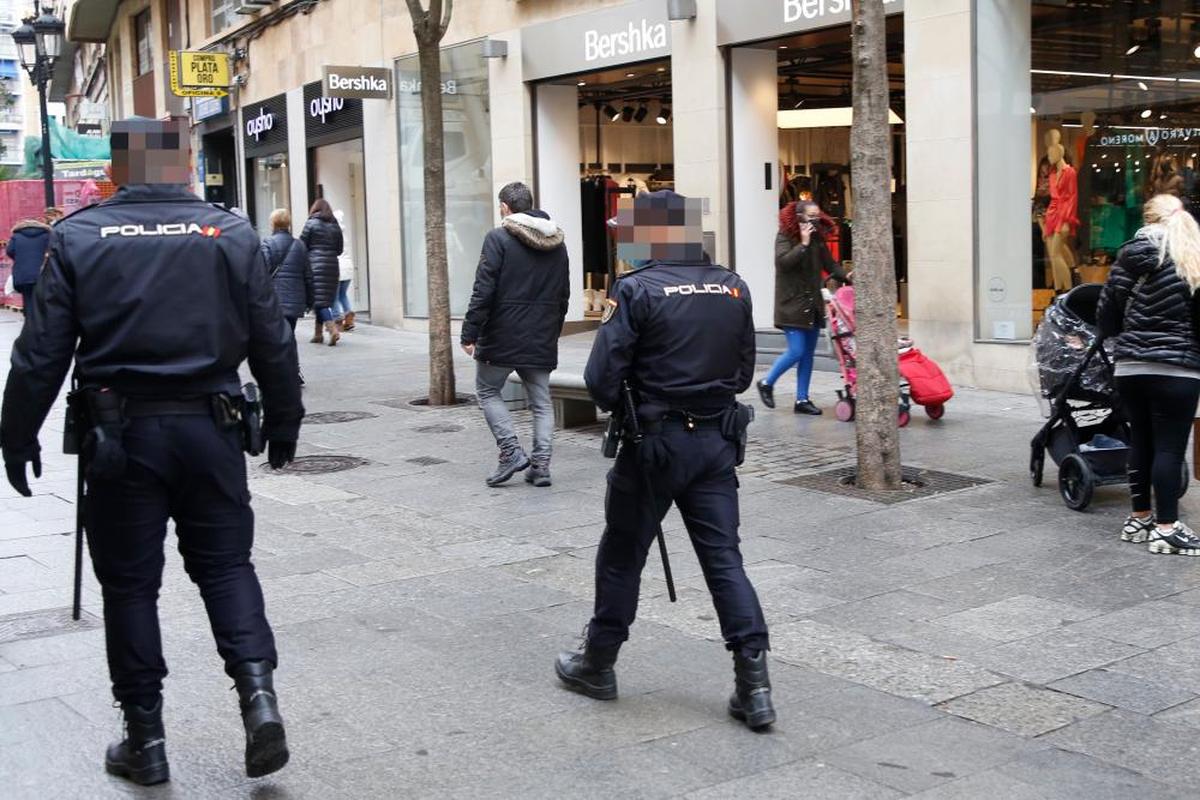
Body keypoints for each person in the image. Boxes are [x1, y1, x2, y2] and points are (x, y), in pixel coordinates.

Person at [0, 118, 304, 784]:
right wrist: (285, 417)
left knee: (131, 587)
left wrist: (16, 433)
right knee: (227, 568)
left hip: (121, 438)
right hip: (212, 430)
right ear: (184, 163)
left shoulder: (78, 237)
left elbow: (41, 354)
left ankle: (146, 739)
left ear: (116, 167)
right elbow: (271, 337)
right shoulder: (229, 232)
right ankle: (259, 703)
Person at [555, 190, 775, 731]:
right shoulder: (733, 286)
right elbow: (744, 372)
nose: (622, 241)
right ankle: (756, 688)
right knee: (725, 561)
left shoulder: (634, 290)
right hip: (715, 443)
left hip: (653, 446)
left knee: (622, 555)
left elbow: (599, 382)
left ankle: (598, 663)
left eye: (627, 231)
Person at [1098, 193, 1200, 556]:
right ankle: (1167, 528)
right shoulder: (1191, 256)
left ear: (1147, 219)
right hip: (1178, 369)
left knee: (1141, 440)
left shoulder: (1128, 258)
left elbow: (1106, 318)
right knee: (1170, 448)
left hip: (1130, 368)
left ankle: (1139, 519)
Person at [461, 182, 570, 487]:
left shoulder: (498, 238)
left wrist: (469, 333)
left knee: (487, 391)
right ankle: (541, 466)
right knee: (541, 402)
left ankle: (510, 451)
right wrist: (552, 331)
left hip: (502, 333)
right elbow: (564, 295)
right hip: (541, 334)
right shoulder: (557, 242)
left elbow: (483, 290)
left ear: (506, 208)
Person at [757, 200, 850, 415]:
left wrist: (848, 276)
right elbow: (783, 263)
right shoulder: (785, 236)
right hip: (791, 304)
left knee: (808, 354)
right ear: (799, 216)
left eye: (818, 215)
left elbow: (830, 265)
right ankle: (766, 382)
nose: (815, 219)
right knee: (797, 351)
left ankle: (802, 399)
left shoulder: (817, 238)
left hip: (813, 304)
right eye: (811, 216)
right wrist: (803, 244)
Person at [261, 208, 314, 384]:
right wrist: (310, 300)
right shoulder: (299, 245)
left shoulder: (268, 244)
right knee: (289, 334)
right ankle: (293, 371)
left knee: (276, 336)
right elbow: (308, 275)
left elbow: (262, 273)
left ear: (273, 224)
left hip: (274, 301)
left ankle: (282, 372)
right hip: (294, 301)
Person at [301, 198, 344, 346]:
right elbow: (340, 250)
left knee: (319, 301)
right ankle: (318, 334)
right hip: (332, 265)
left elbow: (302, 245)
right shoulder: (335, 225)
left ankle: (332, 330)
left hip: (314, 265)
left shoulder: (311, 223)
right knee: (323, 300)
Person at [5, 215, 52, 312]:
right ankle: (41, 319)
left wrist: (20, 259)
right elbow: (53, 250)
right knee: (43, 298)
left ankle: (29, 318)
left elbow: (9, 251)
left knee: (27, 298)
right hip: (43, 272)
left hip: (23, 273)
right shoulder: (47, 235)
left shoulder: (16, 236)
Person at [333, 209, 355, 331]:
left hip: (338, 268)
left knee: (334, 297)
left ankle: (337, 321)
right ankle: (348, 315)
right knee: (343, 295)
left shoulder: (333, 233)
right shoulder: (344, 233)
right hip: (348, 267)